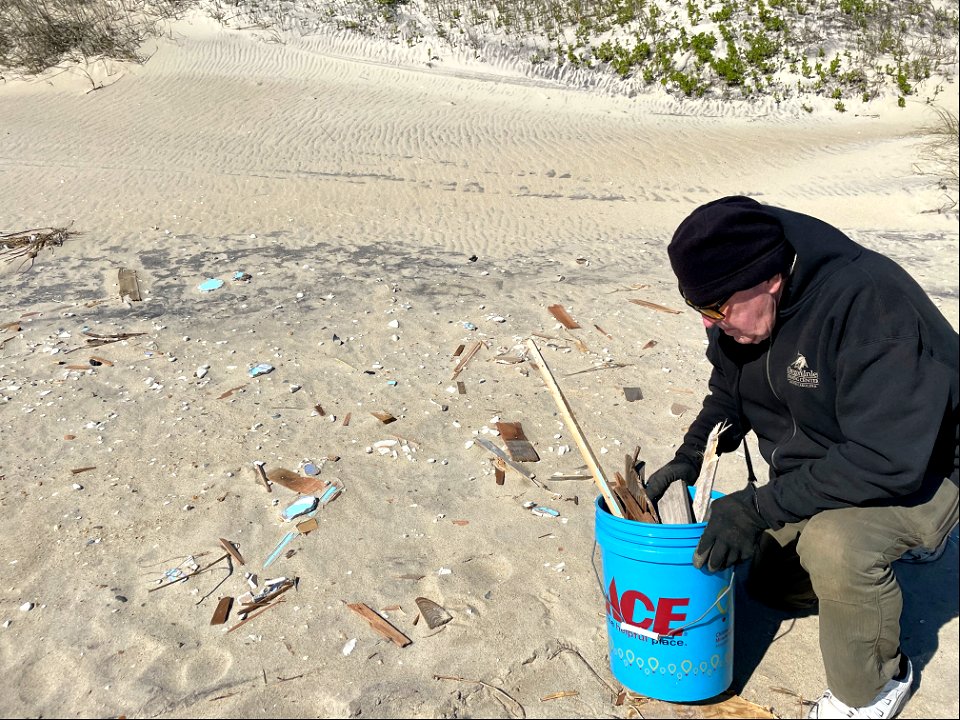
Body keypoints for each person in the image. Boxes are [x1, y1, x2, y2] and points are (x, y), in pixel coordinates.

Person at [644, 196, 959, 719]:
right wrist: (691, 454)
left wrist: (758, 507)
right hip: (833, 460)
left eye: (718, 309)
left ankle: (878, 685)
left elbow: (886, 458)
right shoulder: (742, 311)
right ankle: (870, 564)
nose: (713, 324)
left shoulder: (871, 304)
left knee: (836, 547)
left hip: (923, 463)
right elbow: (729, 388)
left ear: (768, 279)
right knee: (770, 583)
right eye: (700, 311)